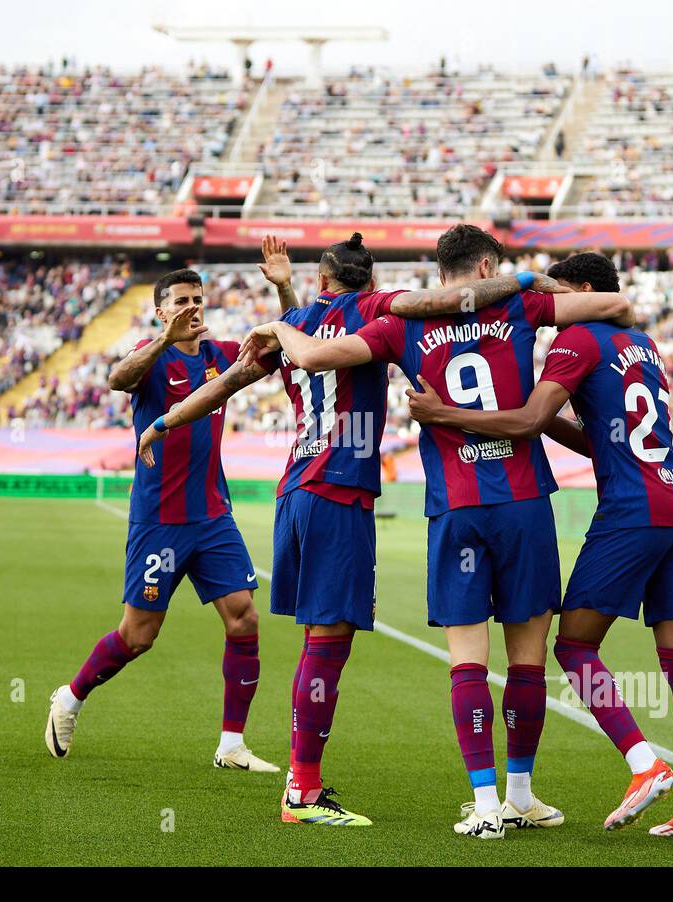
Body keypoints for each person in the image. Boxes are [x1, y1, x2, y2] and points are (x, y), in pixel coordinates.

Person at [138, 234, 556, 826]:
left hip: (297, 488)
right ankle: (302, 791)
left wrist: (162, 421)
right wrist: (524, 282)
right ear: (370, 279)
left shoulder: (293, 325)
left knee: (321, 637)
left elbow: (225, 384)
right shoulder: (379, 308)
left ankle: (302, 783)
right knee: (329, 640)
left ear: (321, 282)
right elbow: (447, 303)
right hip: (340, 489)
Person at [245, 227, 635, 838]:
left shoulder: (399, 324)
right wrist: (534, 282)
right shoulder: (518, 304)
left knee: (467, 664)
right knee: (528, 660)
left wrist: (281, 321)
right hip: (525, 498)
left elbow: (317, 355)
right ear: (487, 266)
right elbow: (615, 305)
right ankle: (521, 795)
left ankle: (483, 807)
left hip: (455, 505)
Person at [407, 252, 673, 842]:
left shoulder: (577, 339)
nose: (549, 317)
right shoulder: (642, 343)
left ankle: (642, 762)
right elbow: (602, 441)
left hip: (632, 511)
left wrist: (439, 411)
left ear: (580, 290)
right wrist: (542, 416)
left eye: (558, 296)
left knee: (574, 645)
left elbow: (526, 421)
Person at [44, 269, 278, 774]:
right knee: (138, 636)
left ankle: (231, 744)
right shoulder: (152, 357)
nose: (192, 308)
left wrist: (282, 286)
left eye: (197, 299)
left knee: (244, 616)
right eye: (180, 302)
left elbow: (282, 345)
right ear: (160, 310)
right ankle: (70, 697)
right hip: (160, 520)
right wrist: (163, 340)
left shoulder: (221, 356)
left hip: (214, 515)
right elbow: (117, 380)